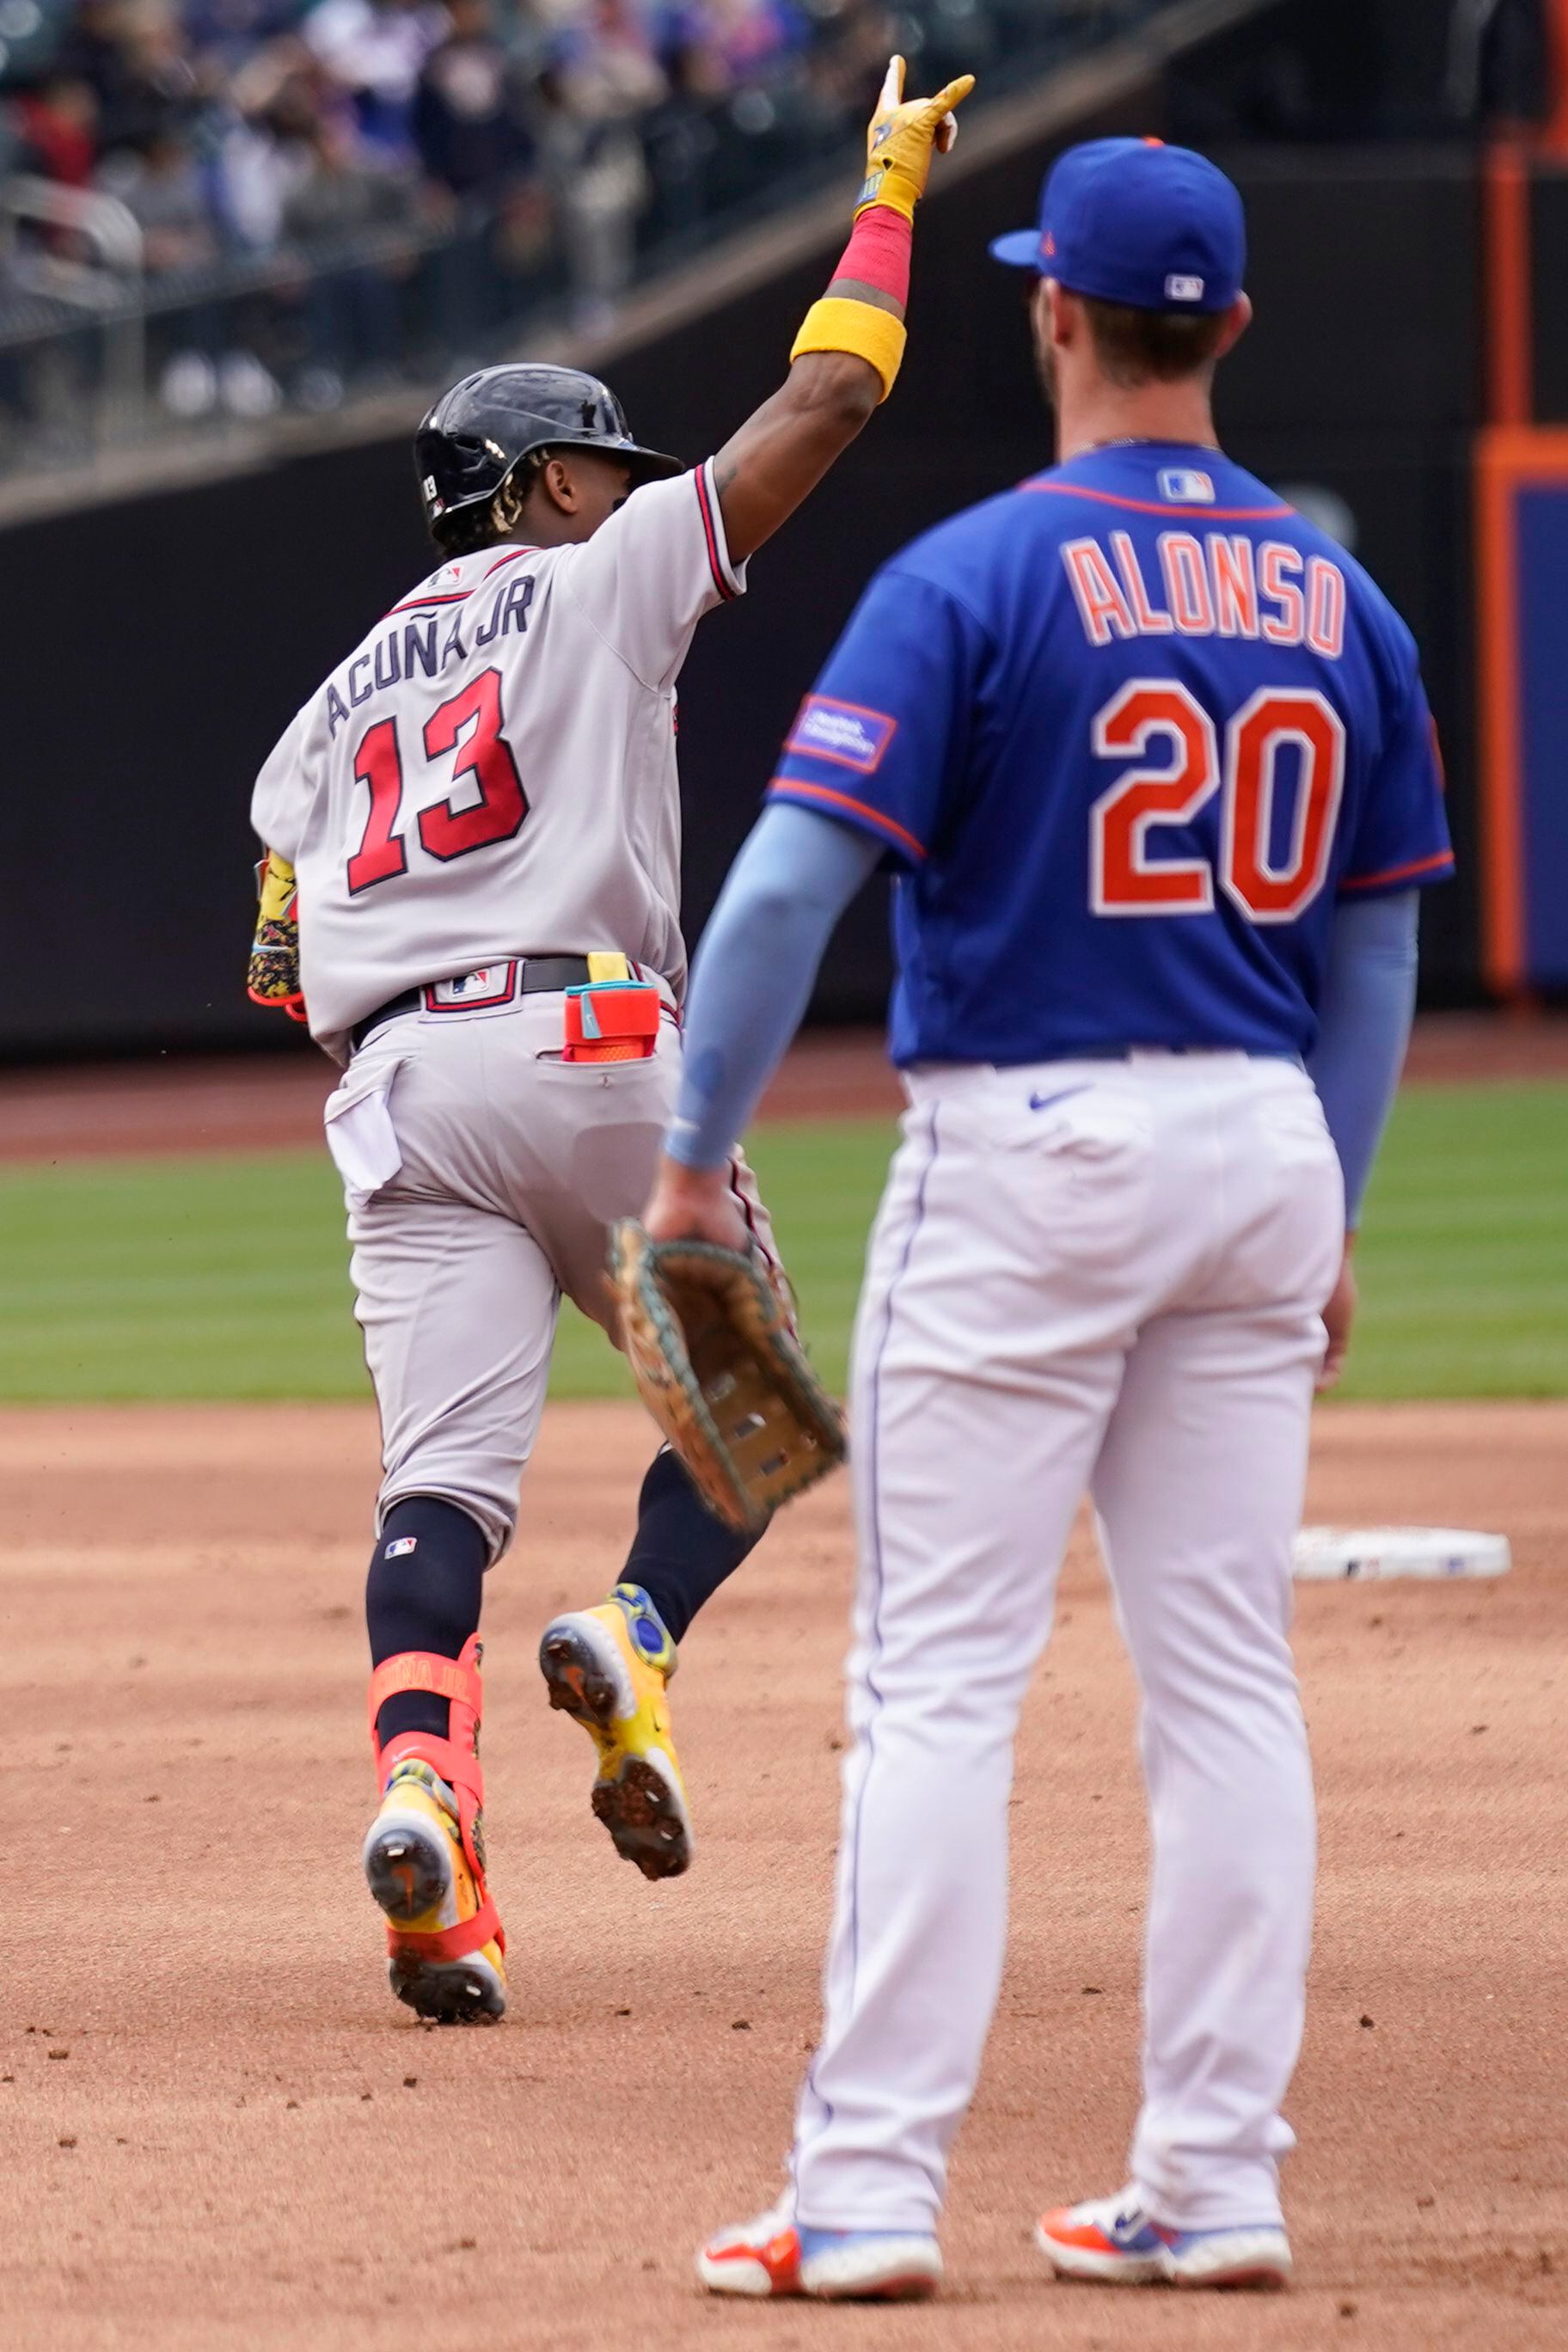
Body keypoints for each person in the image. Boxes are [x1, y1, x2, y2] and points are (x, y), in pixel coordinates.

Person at [639, 138, 1453, 2300]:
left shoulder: (979, 573)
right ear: (1238, 329)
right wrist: (1334, 1205)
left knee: (938, 1689)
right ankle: (1212, 2179)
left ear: (1053, 313)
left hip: (1033, 1149)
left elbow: (789, 891)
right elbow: (1376, 955)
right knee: (1225, 1687)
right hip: (1263, 1148)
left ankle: (873, 2194)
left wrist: (691, 1156)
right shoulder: (1342, 594)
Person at [245, 54, 973, 2026]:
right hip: (588, 1053)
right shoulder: (600, 580)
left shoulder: (323, 711)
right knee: (754, 1420)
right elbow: (829, 396)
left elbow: (273, 953)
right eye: (605, 464)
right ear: (540, 483)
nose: (629, 487)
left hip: (399, 1096)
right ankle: (636, 1635)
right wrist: (888, 193)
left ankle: (426, 1803)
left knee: (434, 1508)